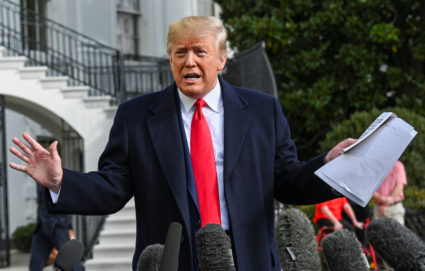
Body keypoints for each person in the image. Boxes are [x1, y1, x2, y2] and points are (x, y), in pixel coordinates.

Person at [9, 16, 356, 271]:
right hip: (172, 259)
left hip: (248, 257)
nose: (189, 61)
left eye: (200, 52)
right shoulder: (137, 117)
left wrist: (329, 164)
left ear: (220, 61)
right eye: (180, 53)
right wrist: (59, 182)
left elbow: (288, 180)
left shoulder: (262, 111)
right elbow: (113, 187)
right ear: (170, 60)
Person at [30, 184, 83, 271]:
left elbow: (65, 199)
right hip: (42, 226)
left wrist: (60, 221)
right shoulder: (38, 178)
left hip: (57, 226)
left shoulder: (54, 174)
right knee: (35, 263)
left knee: (69, 260)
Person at [373, 160, 407, 225]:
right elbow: (370, 189)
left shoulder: (398, 165)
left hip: (394, 209)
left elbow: (400, 186)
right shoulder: (375, 167)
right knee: (378, 234)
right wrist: (382, 200)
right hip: (378, 209)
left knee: (398, 233)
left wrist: (385, 204)